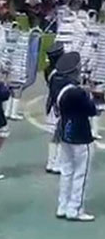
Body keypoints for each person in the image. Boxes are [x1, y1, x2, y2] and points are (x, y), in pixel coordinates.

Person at [53, 52, 98, 221]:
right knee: (81, 174)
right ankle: (75, 209)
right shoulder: (77, 93)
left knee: (66, 171)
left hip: (65, 133)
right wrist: (89, 94)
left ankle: (62, 205)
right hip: (81, 135)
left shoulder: (59, 87)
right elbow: (91, 110)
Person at [44, 43, 65, 174]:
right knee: (61, 136)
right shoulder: (62, 72)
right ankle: (57, 163)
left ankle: (50, 162)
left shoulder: (48, 70)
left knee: (53, 137)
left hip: (51, 105)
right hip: (61, 106)